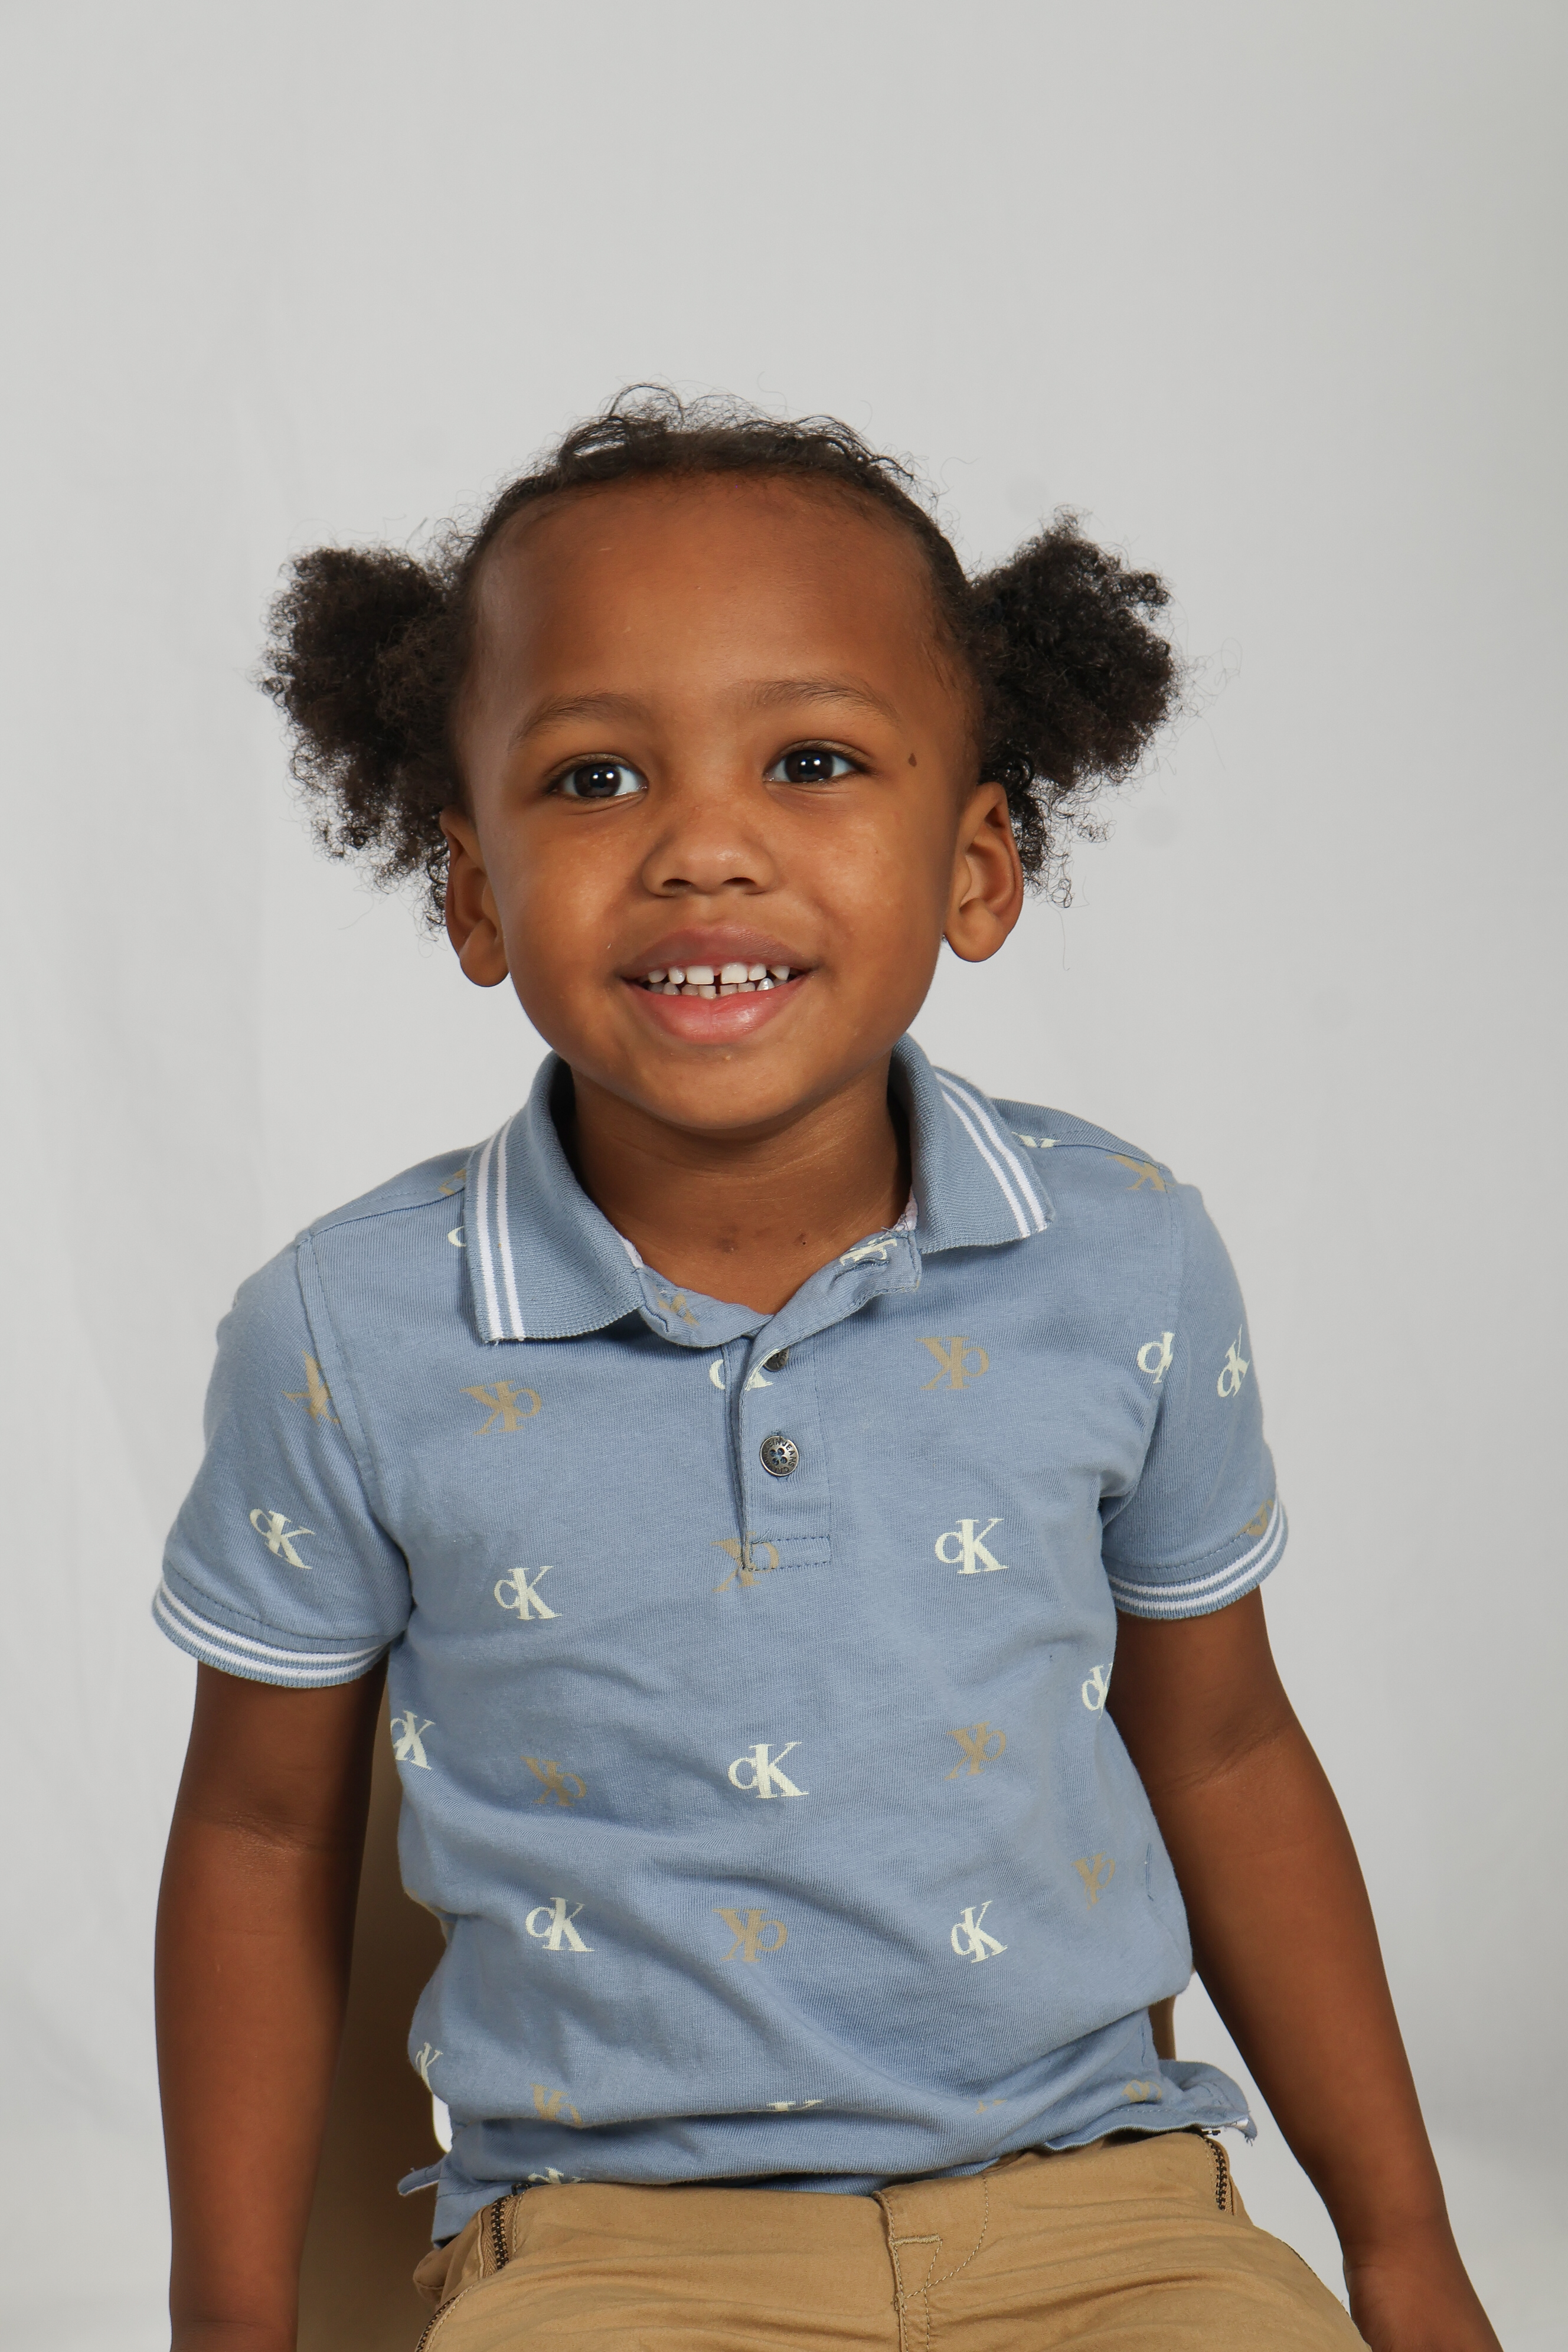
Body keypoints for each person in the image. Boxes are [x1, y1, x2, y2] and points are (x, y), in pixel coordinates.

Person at [153, 390, 1500, 2352]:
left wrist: (1404, 2248)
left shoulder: (1122, 1255)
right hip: (609, 2249)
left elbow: (1222, 1752)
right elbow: (265, 1838)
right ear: (472, 891)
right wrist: (225, 2323)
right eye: (597, 777)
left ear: (979, 865)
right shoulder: (354, 1331)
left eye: (811, 761)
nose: (706, 847)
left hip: (1106, 2211)